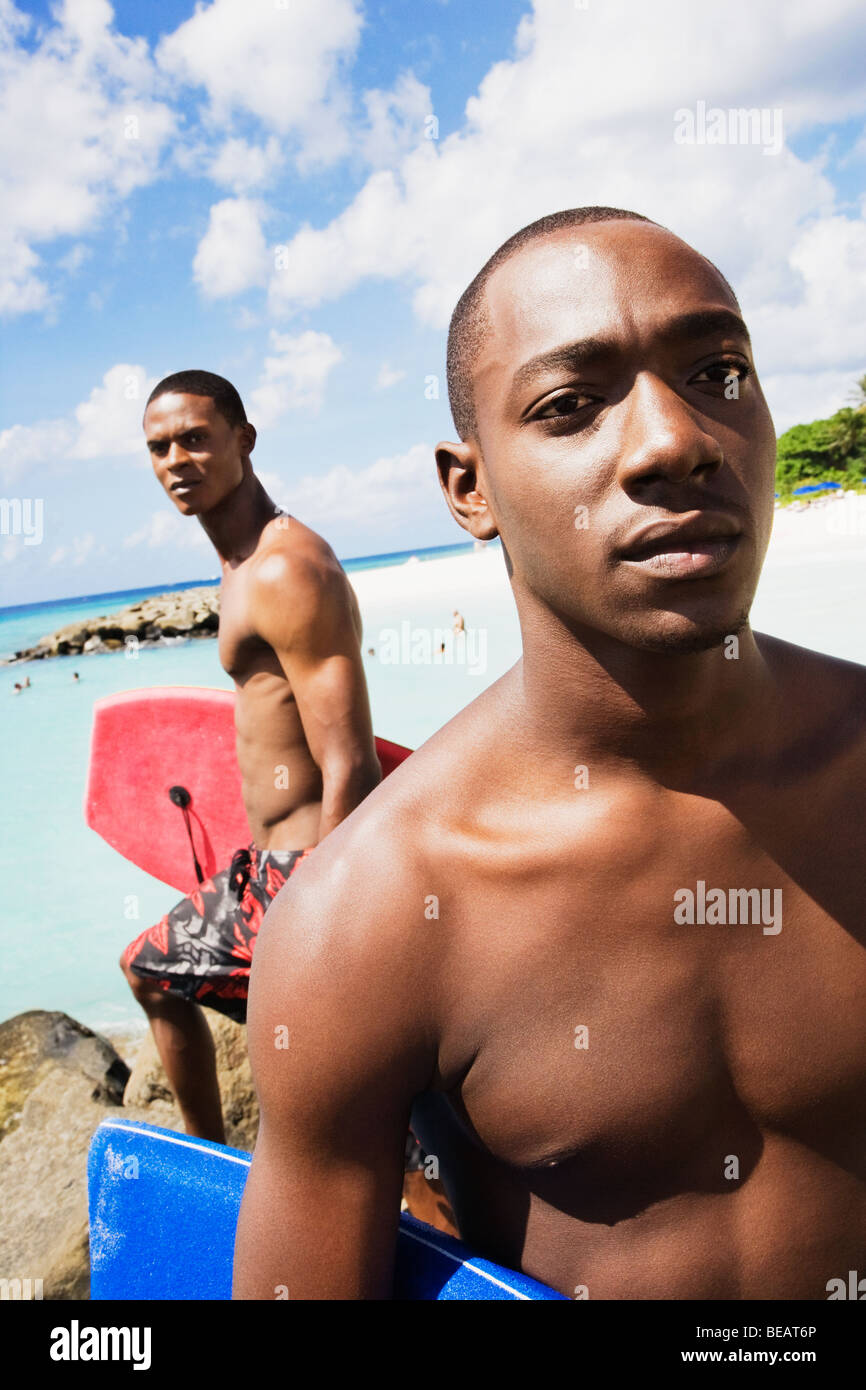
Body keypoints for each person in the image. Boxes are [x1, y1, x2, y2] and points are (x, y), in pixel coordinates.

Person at [234, 207, 866, 1301]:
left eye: (716, 372)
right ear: (468, 486)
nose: (672, 440)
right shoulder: (372, 915)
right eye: (571, 405)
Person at [120, 370, 381, 1142]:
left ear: (245, 439)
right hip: (262, 869)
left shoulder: (284, 570)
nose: (176, 460)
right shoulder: (238, 566)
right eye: (159, 447)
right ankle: (214, 1165)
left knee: (375, 1118)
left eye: (195, 438)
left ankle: (208, 1159)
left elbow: (351, 762)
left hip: (304, 879)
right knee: (153, 974)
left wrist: (325, 922)